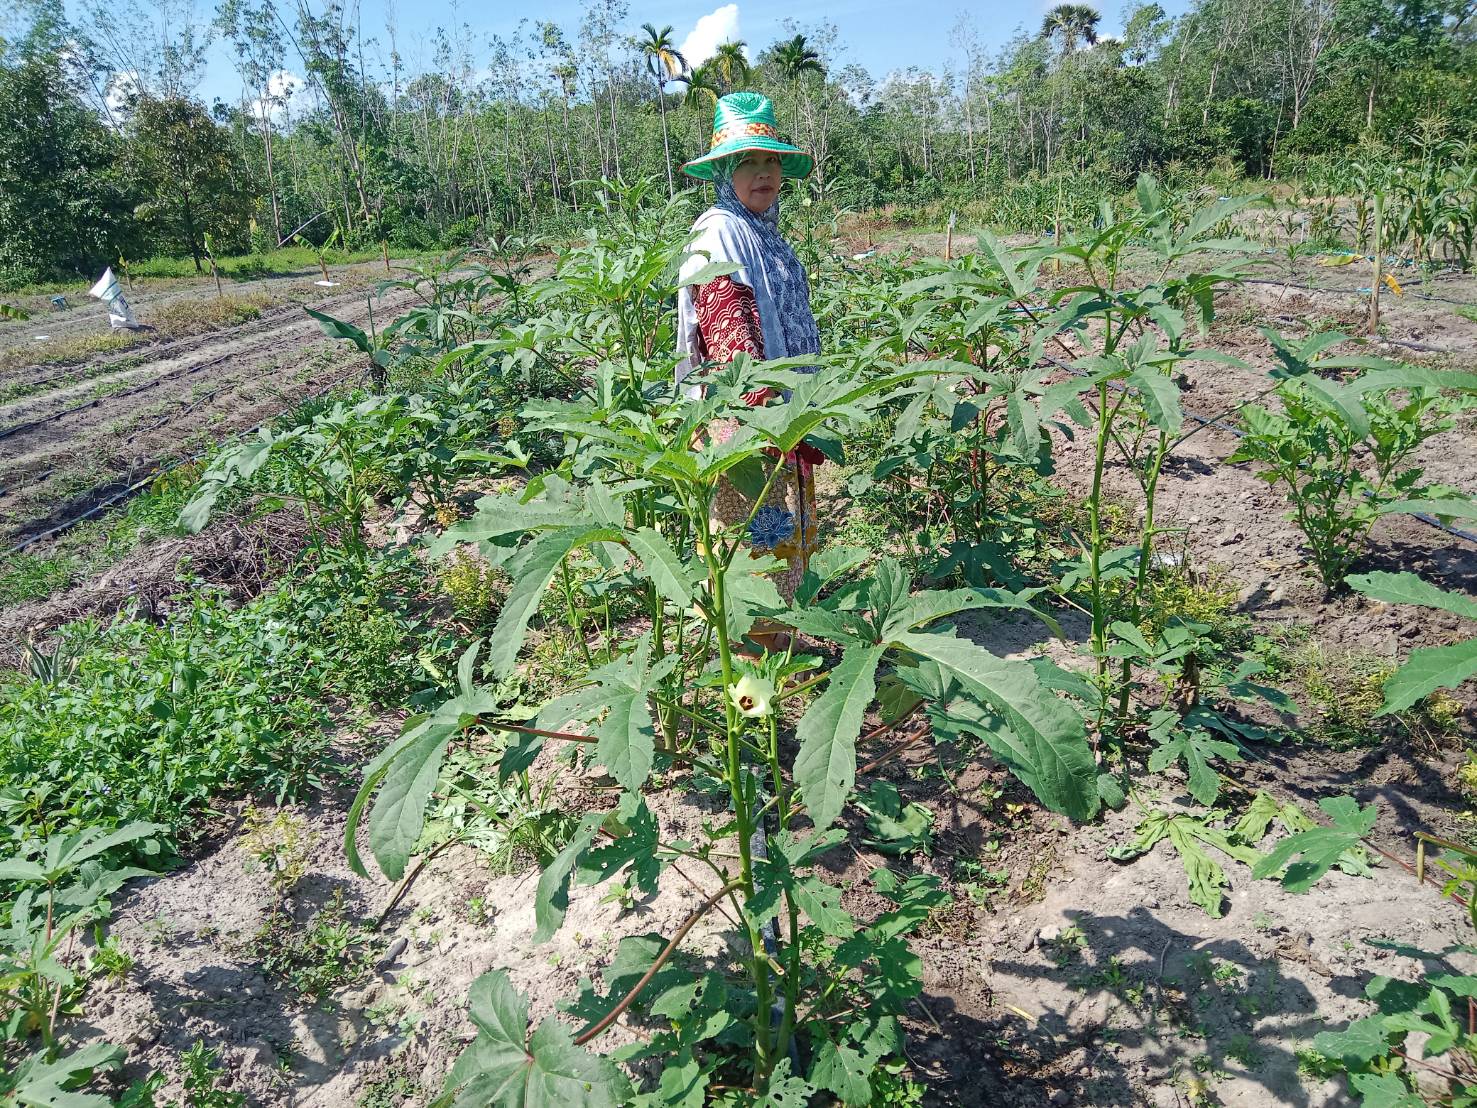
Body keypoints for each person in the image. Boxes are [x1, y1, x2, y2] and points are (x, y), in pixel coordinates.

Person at [675, 92, 826, 621]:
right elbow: (726, 325)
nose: (763, 173)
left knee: (781, 538)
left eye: (771, 160)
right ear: (724, 172)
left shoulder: (766, 233)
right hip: (749, 419)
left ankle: (778, 642)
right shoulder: (721, 229)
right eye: (748, 163)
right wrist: (757, 416)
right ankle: (755, 647)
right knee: (753, 540)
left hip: (785, 412)